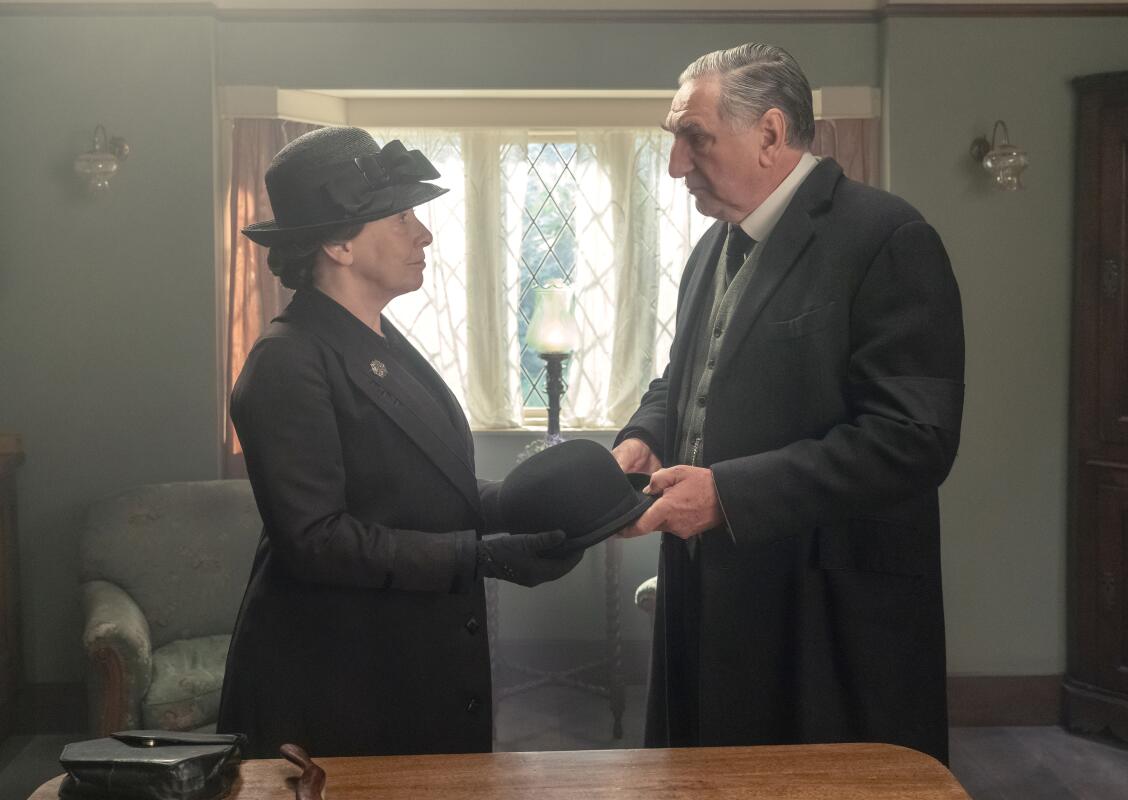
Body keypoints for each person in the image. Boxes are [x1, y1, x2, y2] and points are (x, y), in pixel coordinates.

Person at [613, 44, 964, 763]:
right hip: (710, 595)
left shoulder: (887, 237)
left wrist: (728, 496)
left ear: (771, 134)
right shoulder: (712, 247)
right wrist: (647, 433)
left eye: (695, 138)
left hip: (823, 609)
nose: (676, 164)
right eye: (674, 139)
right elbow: (684, 373)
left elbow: (913, 438)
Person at [217, 126, 581, 759]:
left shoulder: (376, 337)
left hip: (400, 660)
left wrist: (547, 503)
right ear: (338, 244)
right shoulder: (287, 360)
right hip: (336, 681)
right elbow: (316, 543)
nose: (424, 234)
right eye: (402, 216)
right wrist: (481, 556)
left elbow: (431, 487)